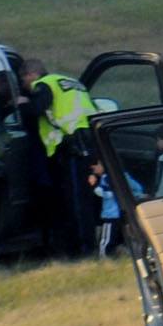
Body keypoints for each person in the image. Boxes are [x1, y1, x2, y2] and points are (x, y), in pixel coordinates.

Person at [22, 57, 100, 255]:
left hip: (70, 146)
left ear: (31, 75)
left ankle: (82, 251)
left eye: (23, 81)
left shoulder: (44, 85)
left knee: (75, 200)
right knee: (84, 199)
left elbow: (37, 109)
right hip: (89, 142)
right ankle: (87, 246)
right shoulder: (71, 82)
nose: (25, 86)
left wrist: (22, 103)